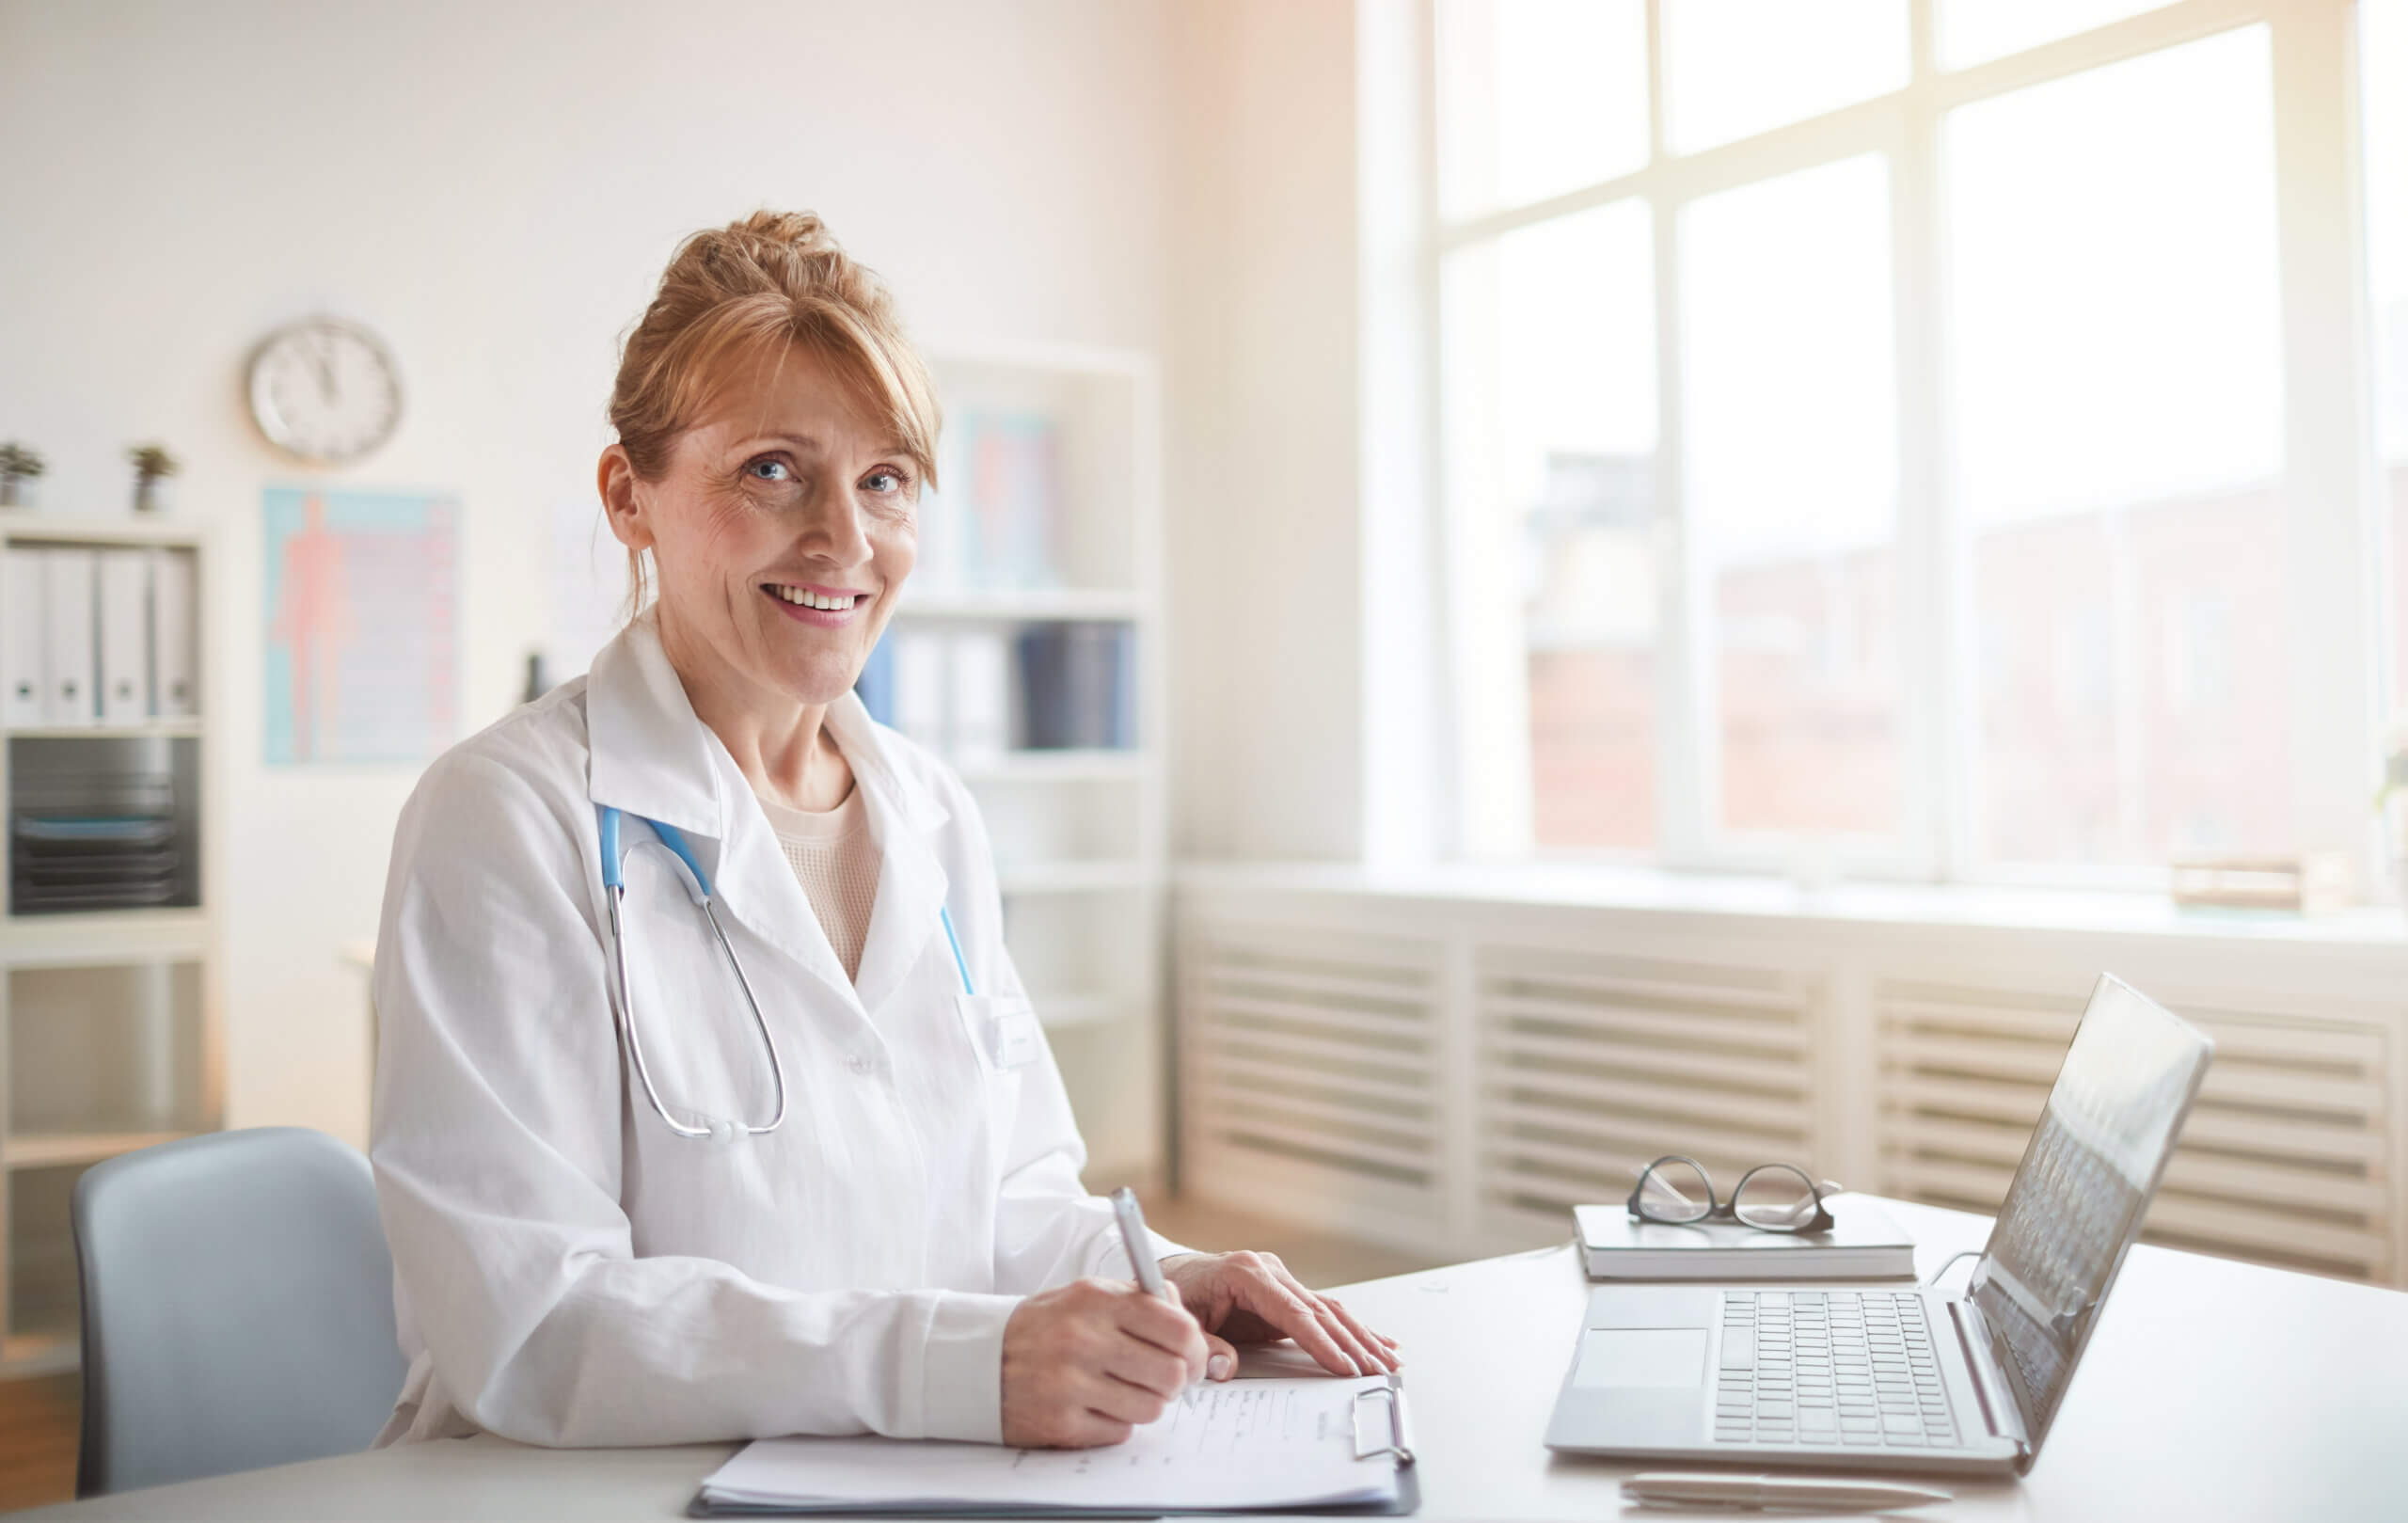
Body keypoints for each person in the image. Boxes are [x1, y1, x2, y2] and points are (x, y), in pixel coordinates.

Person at [369, 211, 1396, 1451]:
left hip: (888, 1475)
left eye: (884, 480)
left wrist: (1161, 1276)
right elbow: (530, 1322)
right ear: (628, 495)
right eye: (771, 470)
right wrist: (949, 1368)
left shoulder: (931, 813)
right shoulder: (508, 816)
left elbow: (1010, 1196)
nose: (844, 541)